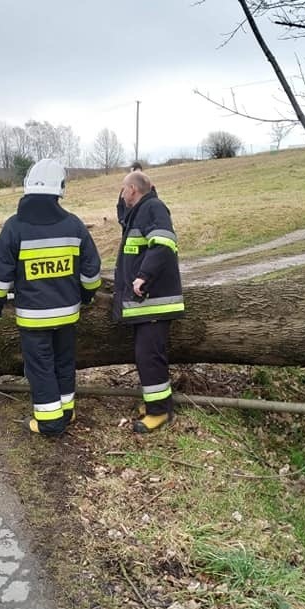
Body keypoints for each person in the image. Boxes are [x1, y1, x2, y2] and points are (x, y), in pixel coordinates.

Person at [0, 159, 102, 437]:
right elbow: (91, 272)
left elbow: (0, 277)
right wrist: (87, 296)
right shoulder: (74, 226)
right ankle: (67, 413)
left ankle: (50, 423)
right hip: (68, 314)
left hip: (33, 318)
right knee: (64, 363)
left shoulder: (14, 227)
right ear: (59, 189)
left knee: (40, 369)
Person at [114, 169, 184, 433]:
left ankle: (160, 413)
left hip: (155, 300)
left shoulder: (153, 208)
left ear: (132, 190)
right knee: (147, 357)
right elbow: (124, 217)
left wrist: (143, 276)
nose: (121, 195)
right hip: (146, 302)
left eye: (123, 190)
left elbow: (163, 244)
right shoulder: (138, 212)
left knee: (150, 357)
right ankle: (157, 404)